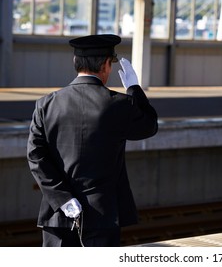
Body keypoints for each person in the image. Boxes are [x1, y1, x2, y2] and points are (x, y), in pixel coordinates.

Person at [27, 34, 158, 247]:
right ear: (106, 65)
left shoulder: (46, 104)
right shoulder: (119, 104)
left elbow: (36, 157)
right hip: (102, 216)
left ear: (75, 63)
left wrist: (63, 199)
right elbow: (149, 126)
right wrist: (134, 89)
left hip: (58, 215)